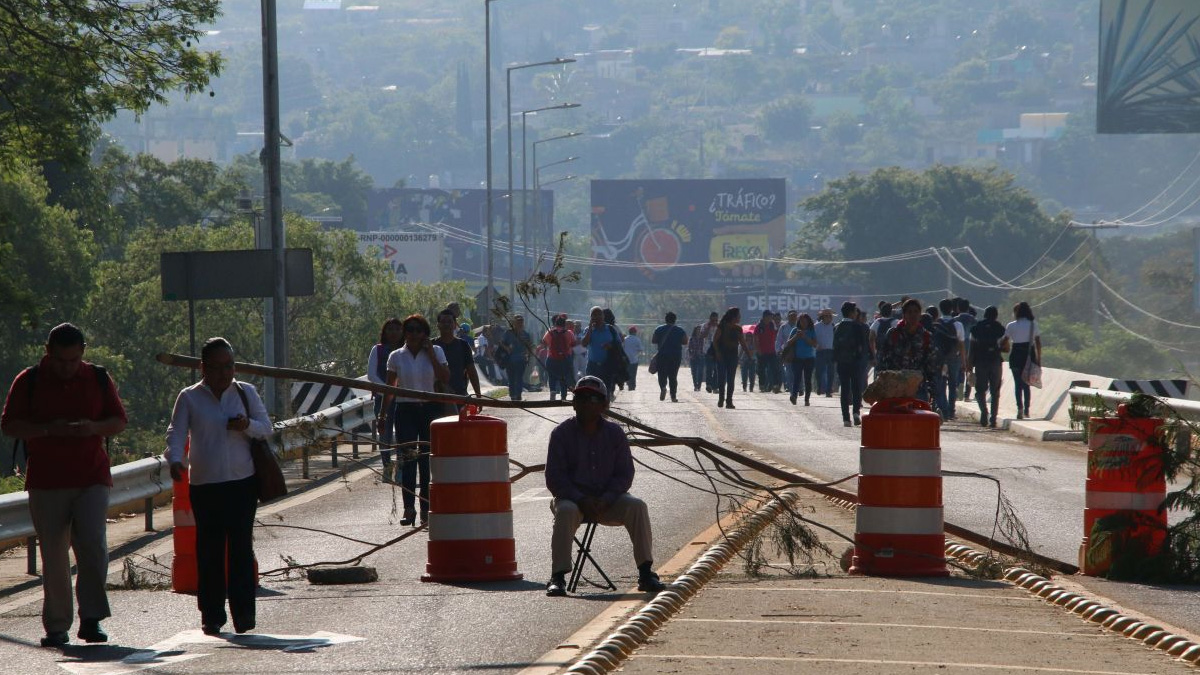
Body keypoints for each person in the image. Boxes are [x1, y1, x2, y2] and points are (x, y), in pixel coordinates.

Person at [2, 323, 127, 647]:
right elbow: (10, 425)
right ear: (48, 353)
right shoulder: (28, 381)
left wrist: (92, 428)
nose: (67, 368)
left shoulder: (98, 378)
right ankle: (57, 626)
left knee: (93, 547)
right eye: (60, 361)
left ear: (82, 354)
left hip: (91, 477)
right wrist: (47, 430)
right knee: (54, 554)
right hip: (47, 480)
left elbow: (118, 421)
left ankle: (92, 619)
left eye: (73, 361)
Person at [165, 337, 271, 636]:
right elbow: (176, 431)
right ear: (203, 368)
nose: (225, 373)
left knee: (240, 549)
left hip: (242, 483)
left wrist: (245, 425)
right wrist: (175, 459)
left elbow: (266, 429)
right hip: (206, 484)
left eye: (230, 366)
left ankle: (244, 616)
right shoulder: (189, 397)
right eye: (217, 367)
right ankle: (211, 615)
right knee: (209, 551)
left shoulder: (245, 393)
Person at [544, 376, 666, 597]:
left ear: (604, 405)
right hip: (573, 500)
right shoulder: (561, 434)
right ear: (573, 403)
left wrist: (608, 498)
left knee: (637, 506)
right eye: (580, 397)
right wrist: (581, 499)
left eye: (592, 398)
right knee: (566, 511)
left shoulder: (615, 433)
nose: (585, 403)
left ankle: (646, 573)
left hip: (608, 501)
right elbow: (555, 478)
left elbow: (625, 474)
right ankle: (558, 577)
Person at [380, 314, 450, 525]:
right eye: (409, 330)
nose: (413, 334)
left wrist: (431, 355)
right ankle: (408, 508)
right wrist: (382, 414)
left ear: (425, 333)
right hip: (406, 409)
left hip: (430, 409)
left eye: (418, 330)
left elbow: (445, 378)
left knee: (426, 461)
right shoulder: (396, 356)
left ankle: (426, 509)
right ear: (404, 332)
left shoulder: (436, 351)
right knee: (408, 460)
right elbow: (389, 388)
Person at [878, 299, 937, 402]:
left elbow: (931, 364)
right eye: (909, 312)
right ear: (904, 315)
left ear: (920, 315)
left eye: (916, 312)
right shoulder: (893, 334)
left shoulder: (926, 336)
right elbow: (884, 359)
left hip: (918, 387)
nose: (913, 315)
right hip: (895, 387)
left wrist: (932, 388)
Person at [368, 317, 405, 481]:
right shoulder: (378, 350)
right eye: (390, 329)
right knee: (385, 435)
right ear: (384, 332)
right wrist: (386, 390)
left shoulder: (407, 350)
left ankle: (401, 470)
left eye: (397, 329)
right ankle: (387, 467)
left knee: (404, 435)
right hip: (382, 399)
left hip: (404, 400)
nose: (394, 333)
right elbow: (371, 374)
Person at [832, 301, 870, 427]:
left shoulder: (837, 326)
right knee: (856, 387)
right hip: (855, 362)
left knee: (844, 389)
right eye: (855, 311)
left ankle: (846, 419)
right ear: (851, 313)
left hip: (842, 362)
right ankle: (855, 412)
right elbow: (862, 345)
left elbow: (835, 346)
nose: (856, 313)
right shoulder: (858, 326)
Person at [1002, 301, 1041, 420]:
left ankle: (1019, 408)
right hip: (1029, 355)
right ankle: (1027, 410)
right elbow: (1038, 342)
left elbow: (1005, 341)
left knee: (1018, 384)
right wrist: (1039, 359)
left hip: (1015, 355)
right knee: (1026, 384)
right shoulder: (1033, 324)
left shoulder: (1011, 325)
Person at [969, 306, 1006, 428]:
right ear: (996, 315)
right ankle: (993, 419)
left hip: (980, 362)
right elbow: (1005, 347)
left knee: (980, 390)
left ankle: (984, 412)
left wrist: (969, 365)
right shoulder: (1000, 328)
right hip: (995, 362)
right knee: (995, 392)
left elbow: (972, 348)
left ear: (984, 315)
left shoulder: (976, 328)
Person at [931, 298, 967, 421]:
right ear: (952, 309)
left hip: (939, 359)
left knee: (939, 384)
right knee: (953, 385)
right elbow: (961, 344)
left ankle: (940, 408)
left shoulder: (935, 324)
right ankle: (951, 411)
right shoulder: (958, 324)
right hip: (953, 358)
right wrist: (963, 361)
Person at [436, 310, 482, 399]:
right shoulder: (431, 345)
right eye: (443, 322)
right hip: (435, 396)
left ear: (454, 325)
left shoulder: (463, 345)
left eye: (449, 322)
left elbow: (471, 371)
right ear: (438, 325)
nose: (446, 324)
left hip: (459, 396)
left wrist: (478, 395)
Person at [581, 306, 623, 397]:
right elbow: (584, 343)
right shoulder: (588, 330)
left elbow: (619, 344)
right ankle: (594, 410)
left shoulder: (611, 329)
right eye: (594, 315)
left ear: (603, 316)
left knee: (606, 391)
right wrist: (590, 328)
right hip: (592, 366)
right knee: (591, 391)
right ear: (591, 317)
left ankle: (605, 408)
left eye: (599, 314)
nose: (597, 317)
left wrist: (610, 346)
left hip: (607, 366)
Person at [713, 307, 749, 409]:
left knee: (731, 380)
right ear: (734, 317)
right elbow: (715, 341)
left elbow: (743, 343)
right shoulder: (722, 327)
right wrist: (718, 353)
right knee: (721, 378)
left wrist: (749, 355)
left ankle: (729, 401)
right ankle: (721, 398)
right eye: (739, 316)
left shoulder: (738, 329)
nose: (740, 317)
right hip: (722, 356)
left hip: (733, 356)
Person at [651, 312, 688, 402]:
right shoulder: (680, 330)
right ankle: (673, 396)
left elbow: (653, 340)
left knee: (662, 374)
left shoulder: (659, 329)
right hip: (675, 356)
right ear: (675, 320)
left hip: (662, 355)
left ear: (665, 319)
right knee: (673, 376)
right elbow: (685, 341)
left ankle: (663, 387)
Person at [783, 312, 818, 406]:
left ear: (808, 322)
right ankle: (794, 396)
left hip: (809, 358)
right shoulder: (795, 330)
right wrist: (796, 337)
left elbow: (815, 344)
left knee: (807, 379)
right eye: (801, 321)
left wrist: (805, 337)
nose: (803, 323)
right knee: (797, 378)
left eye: (805, 321)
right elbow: (788, 343)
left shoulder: (811, 330)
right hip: (797, 358)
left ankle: (807, 399)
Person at [542, 314, 577, 401]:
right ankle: (563, 395)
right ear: (564, 324)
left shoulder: (550, 332)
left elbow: (543, 342)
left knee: (552, 376)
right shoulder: (569, 333)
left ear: (555, 323)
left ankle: (553, 392)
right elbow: (573, 343)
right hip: (565, 359)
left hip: (551, 358)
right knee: (563, 377)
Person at [500, 315, 534, 401]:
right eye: (519, 322)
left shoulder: (512, 333)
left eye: (521, 322)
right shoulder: (512, 333)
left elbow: (529, 347)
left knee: (513, 378)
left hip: (517, 360)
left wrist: (528, 356)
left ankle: (514, 395)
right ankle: (516, 395)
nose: (520, 324)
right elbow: (529, 347)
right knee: (517, 378)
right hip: (515, 360)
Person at [868, 303, 897, 381]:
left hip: (880, 354)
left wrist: (874, 355)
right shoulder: (896, 322)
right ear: (891, 312)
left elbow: (871, 339)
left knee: (878, 378)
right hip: (893, 355)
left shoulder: (877, 322)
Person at [754, 310, 778, 394]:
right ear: (764, 317)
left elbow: (775, 336)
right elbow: (756, 340)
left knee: (774, 368)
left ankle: (775, 385)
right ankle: (762, 385)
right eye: (769, 316)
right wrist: (758, 350)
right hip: (762, 351)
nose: (771, 318)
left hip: (771, 351)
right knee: (762, 369)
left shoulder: (772, 325)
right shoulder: (759, 326)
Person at [813, 309, 836, 397]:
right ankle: (819, 387)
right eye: (827, 316)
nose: (829, 318)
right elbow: (813, 338)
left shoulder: (833, 326)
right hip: (820, 351)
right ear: (823, 317)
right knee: (819, 371)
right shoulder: (816, 326)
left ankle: (828, 390)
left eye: (830, 316)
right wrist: (816, 345)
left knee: (831, 372)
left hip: (830, 351)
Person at [776, 310, 798, 393]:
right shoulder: (783, 327)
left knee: (797, 371)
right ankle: (790, 388)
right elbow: (779, 340)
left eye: (794, 316)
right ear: (788, 317)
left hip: (798, 352)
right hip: (787, 352)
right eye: (791, 316)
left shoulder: (800, 326)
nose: (793, 318)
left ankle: (800, 387)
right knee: (788, 371)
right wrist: (778, 350)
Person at [699, 312, 719, 393]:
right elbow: (702, 336)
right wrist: (709, 327)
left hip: (717, 349)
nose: (714, 321)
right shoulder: (705, 325)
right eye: (713, 320)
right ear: (710, 318)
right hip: (708, 350)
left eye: (716, 320)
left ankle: (715, 387)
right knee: (709, 368)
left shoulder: (720, 326)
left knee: (717, 369)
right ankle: (709, 385)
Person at [623, 326, 644, 391]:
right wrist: (636, 350)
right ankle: (632, 386)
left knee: (627, 372)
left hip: (626, 360)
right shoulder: (637, 339)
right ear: (635, 332)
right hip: (634, 359)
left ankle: (628, 382)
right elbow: (641, 349)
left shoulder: (625, 339)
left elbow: (622, 348)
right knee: (633, 373)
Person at [687, 324, 705, 392]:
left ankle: (699, 385)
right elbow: (689, 348)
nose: (699, 331)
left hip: (701, 357)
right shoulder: (692, 338)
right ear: (695, 330)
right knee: (694, 372)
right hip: (693, 357)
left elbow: (704, 347)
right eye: (698, 329)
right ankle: (695, 385)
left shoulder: (703, 339)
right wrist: (691, 355)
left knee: (700, 372)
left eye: (700, 330)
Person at [739, 328, 757, 393]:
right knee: (744, 375)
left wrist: (748, 348)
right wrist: (739, 358)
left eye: (750, 336)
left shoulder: (754, 344)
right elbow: (741, 351)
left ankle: (751, 388)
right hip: (744, 360)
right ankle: (744, 387)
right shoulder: (743, 343)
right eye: (747, 336)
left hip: (752, 361)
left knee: (752, 375)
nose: (749, 337)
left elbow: (753, 352)